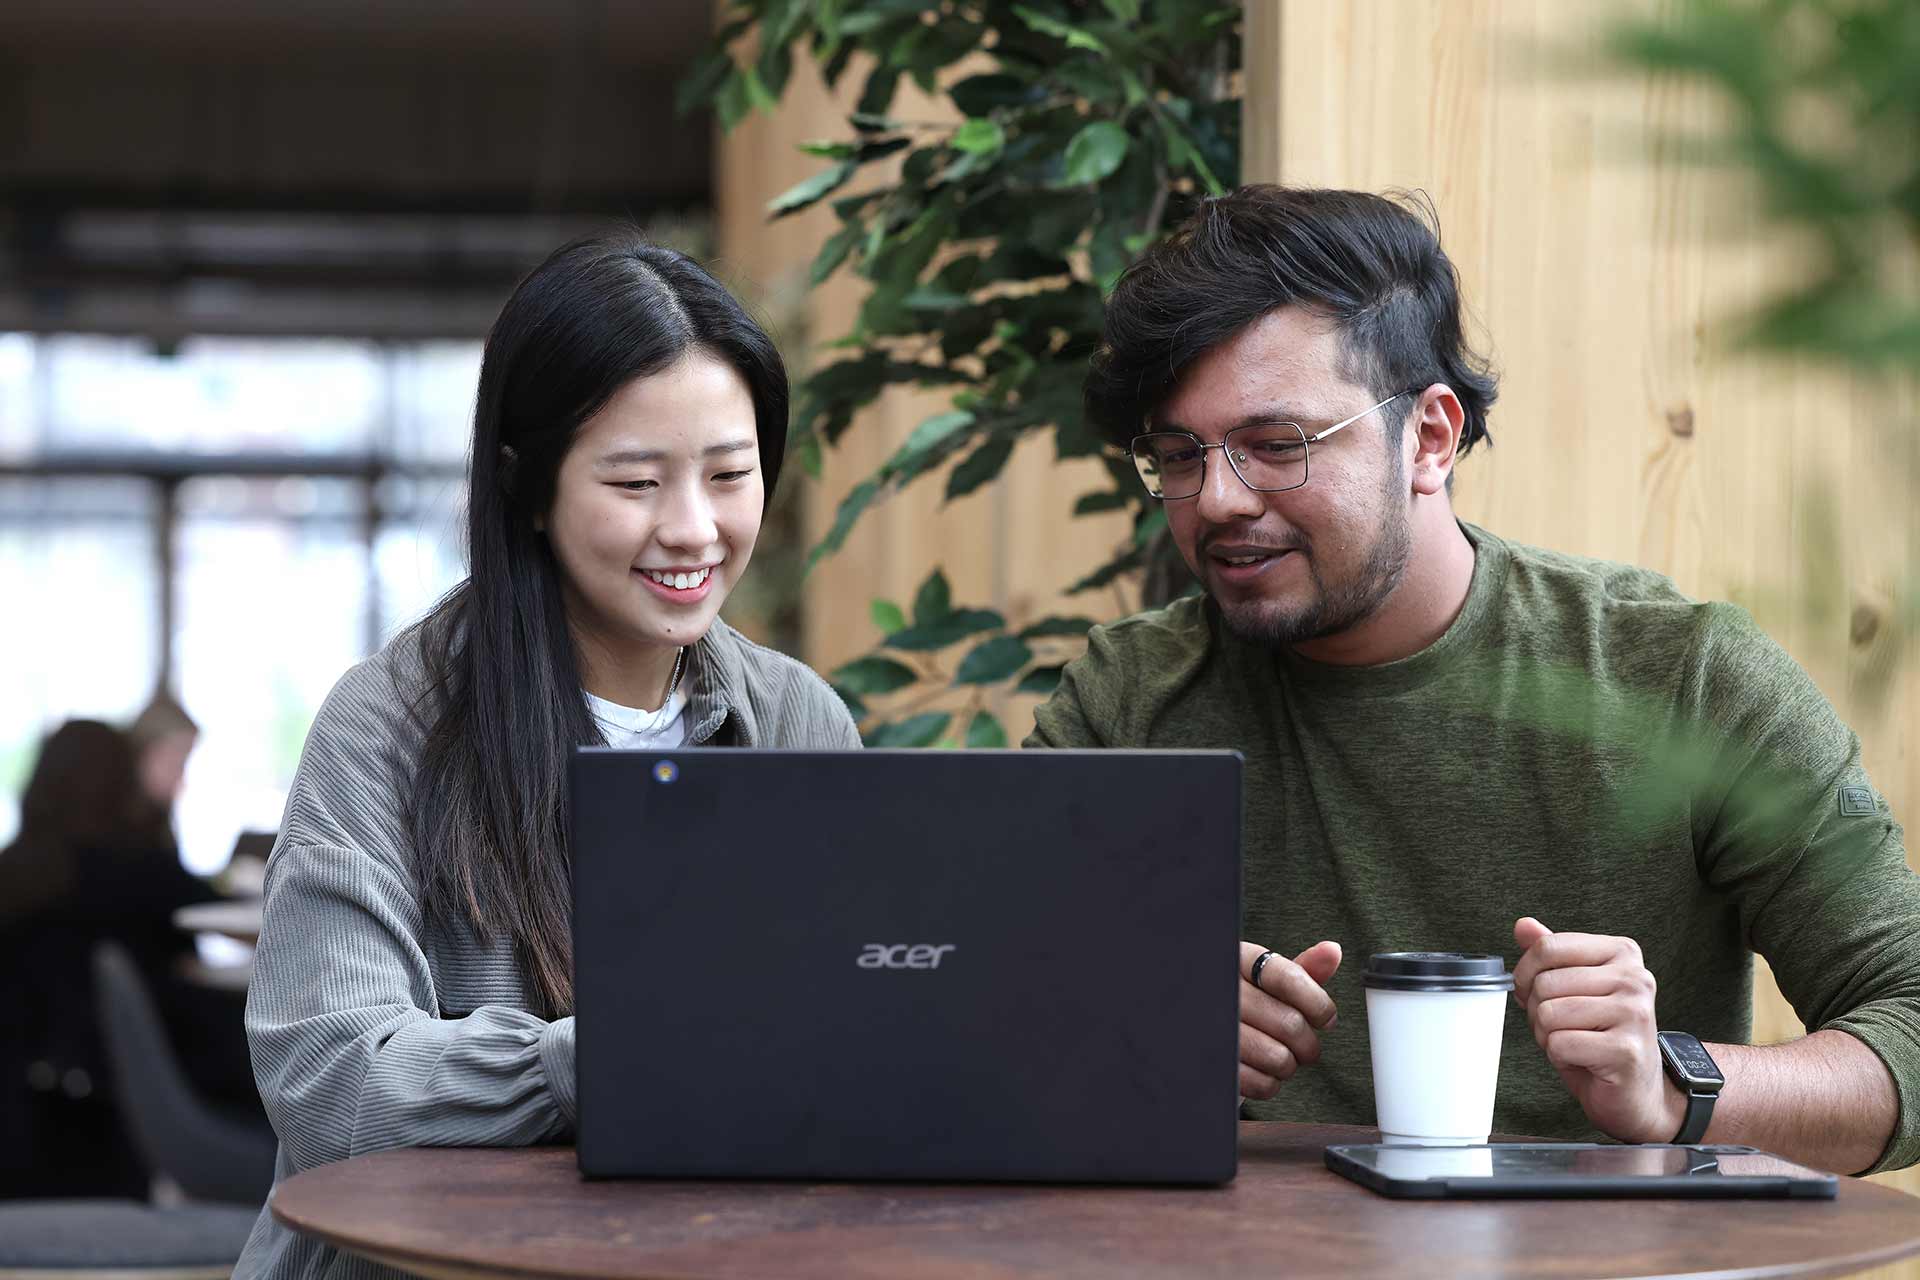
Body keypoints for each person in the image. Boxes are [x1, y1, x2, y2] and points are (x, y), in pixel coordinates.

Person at [1028, 186, 1920, 1175]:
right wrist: (1126, 1025)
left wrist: (1674, 1085)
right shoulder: (1131, 697)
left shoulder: (1683, 678)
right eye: (1179, 455)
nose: (1220, 499)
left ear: (1432, 436)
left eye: (1278, 446)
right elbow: (973, 1004)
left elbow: (1912, 1022)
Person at [236, 233, 860, 1279]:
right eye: (635, 482)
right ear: (529, 489)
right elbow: (333, 1085)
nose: (694, 528)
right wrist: (615, 1056)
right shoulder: (389, 724)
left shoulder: (796, 718)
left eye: (729, 474)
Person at [0, 719, 219, 1197]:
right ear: (123, 782)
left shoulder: (11, 872)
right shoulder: (140, 870)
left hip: (16, 1128)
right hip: (111, 1120)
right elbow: (206, 919)